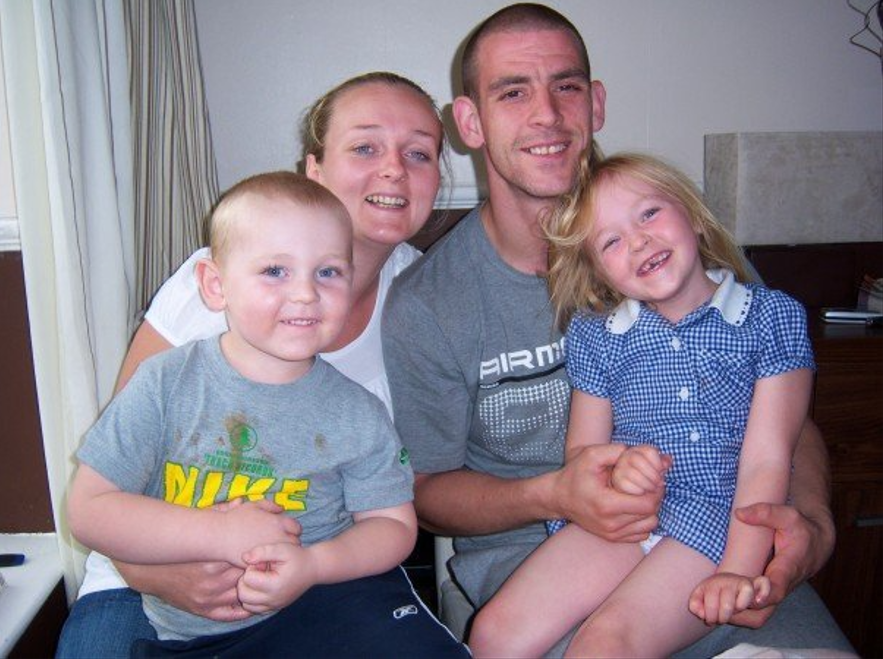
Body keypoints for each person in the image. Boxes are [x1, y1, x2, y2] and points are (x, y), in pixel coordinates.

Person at [382, 4, 852, 657]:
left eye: (566, 87)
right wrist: (553, 492)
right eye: (512, 92)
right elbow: (426, 491)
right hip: (535, 556)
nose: (546, 113)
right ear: (469, 122)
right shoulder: (429, 303)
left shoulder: (691, 251)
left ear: (595, 103)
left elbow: (782, 420)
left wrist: (811, 522)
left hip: (728, 530)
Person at [56, 72, 463, 658]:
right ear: (315, 167)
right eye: (366, 146)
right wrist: (166, 569)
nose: (394, 168)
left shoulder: (423, 301)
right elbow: (105, 491)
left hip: (321, 586)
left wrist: (313, 566)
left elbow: (395, 513)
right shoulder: (214, 283)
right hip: (143, 576)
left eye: (418, 152)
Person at [468, 152, 815, 658]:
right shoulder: (597, 335)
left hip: (720, 516)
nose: (638, 241)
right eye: (611, 241)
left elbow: (767, 459)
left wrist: (739, 569)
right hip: (625, 515)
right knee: (495, 632)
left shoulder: (770, 318)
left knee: (607, 642)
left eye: (649, 213)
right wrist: (618, 471)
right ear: (599, 272)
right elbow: (583, 452)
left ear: (693, 215)